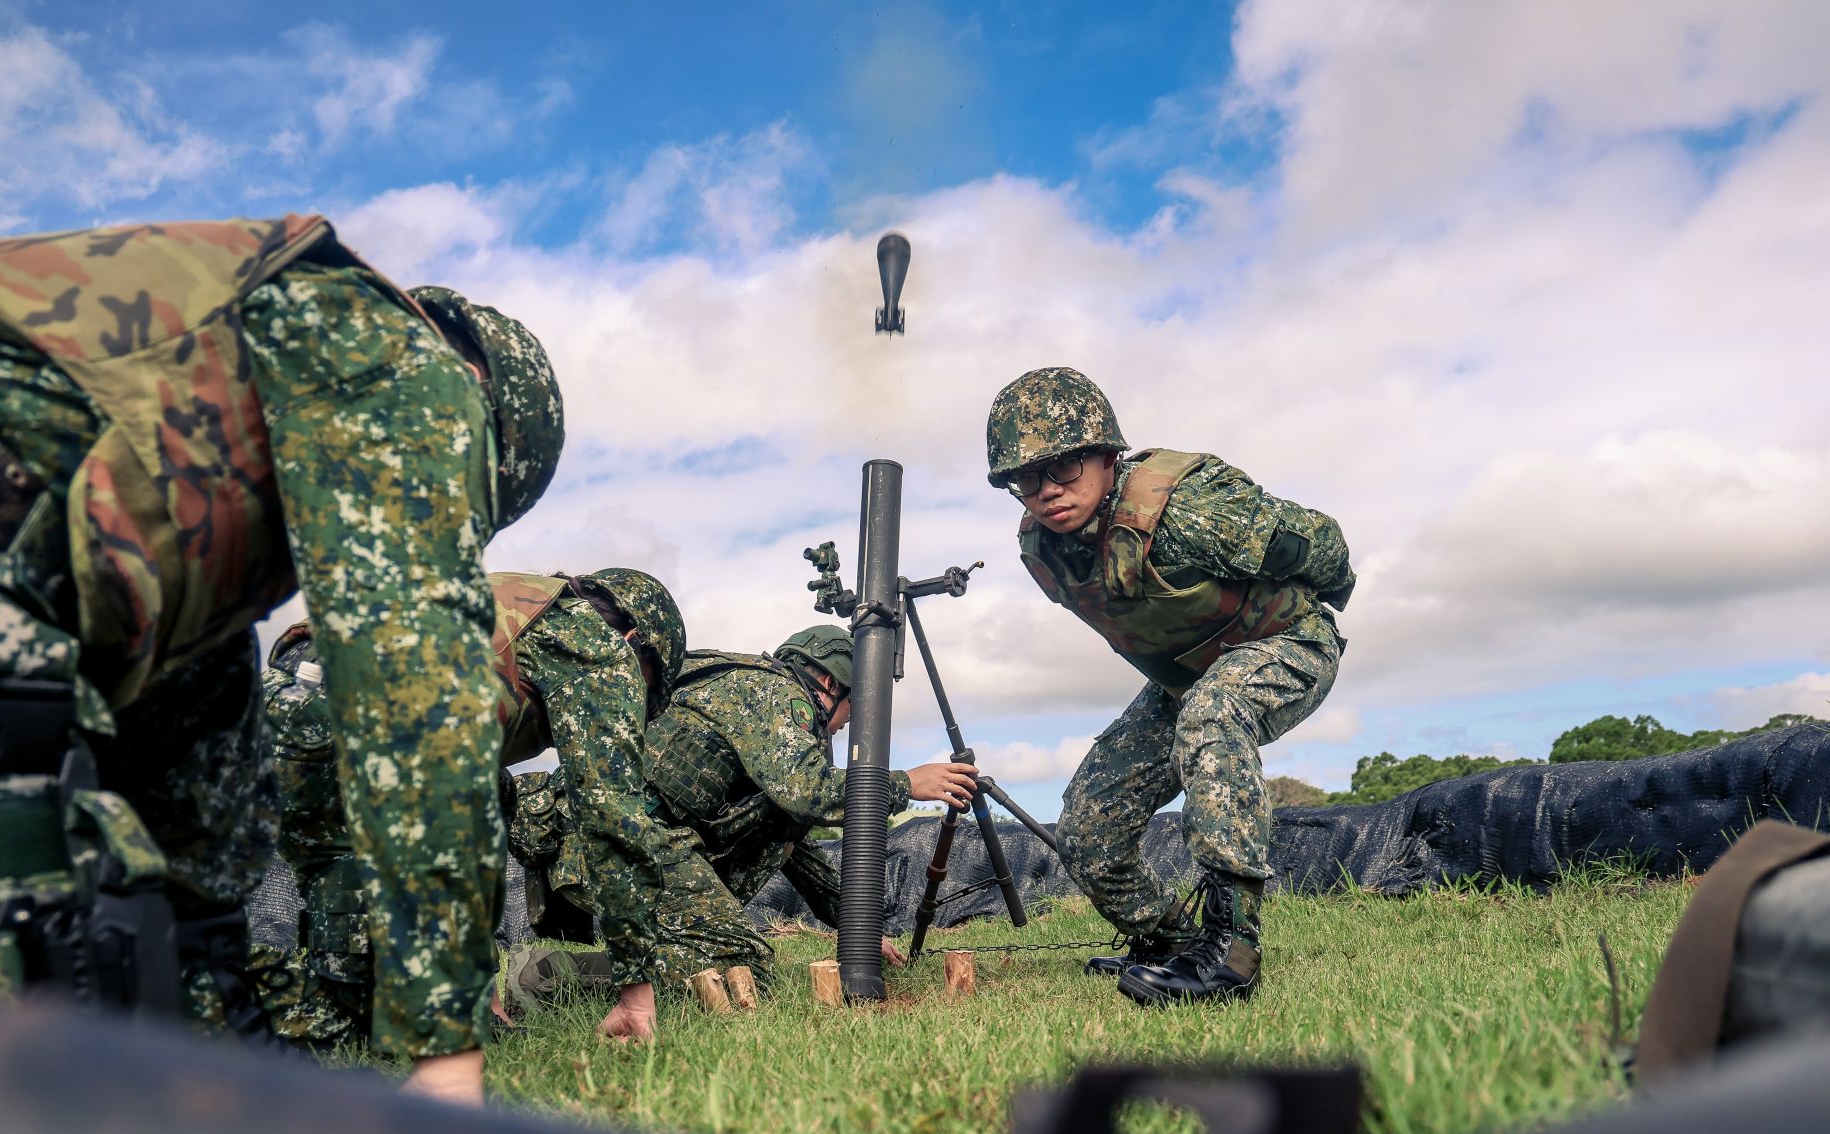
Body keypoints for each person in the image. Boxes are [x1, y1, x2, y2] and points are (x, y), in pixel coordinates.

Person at [0, 214, 562, 1107]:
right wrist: (445, 1059)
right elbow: (414, 683)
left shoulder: (220, 448)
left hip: (22, 543)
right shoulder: (404, 364)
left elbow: (198, 800)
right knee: (30, 922)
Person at [985, 367, 1354, 1006]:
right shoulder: (1043, 549)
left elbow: (1321, 544)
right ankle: (1168, 944)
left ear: (1106, 456)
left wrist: (1320, 596)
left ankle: (1231, 952)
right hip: (1188, 679)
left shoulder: (1187, 510)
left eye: (1064, 469)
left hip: (1288, 643)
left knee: (1213, 717)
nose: (1045, 491)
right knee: (1088, 826)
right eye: (1024, 479)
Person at [257, 567, 687, 1050]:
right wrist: (636, 992)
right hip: (356, 724)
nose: (636, 707)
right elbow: (611, 820)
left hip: (284, 702)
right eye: (647, 692)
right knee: (345, 1022)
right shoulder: (597, 644)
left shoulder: (520, 601)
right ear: (635, 642)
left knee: (348, 975)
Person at [515, 624, 978, 993]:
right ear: (827, 681)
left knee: (730, 960)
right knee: (743, 968)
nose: (847, 723)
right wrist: (903, 784)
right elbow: (808, 791)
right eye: (852, 706)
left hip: (618, 839)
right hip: (617, 838)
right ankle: (557, 975)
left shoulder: (759, 702)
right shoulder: (775, 693)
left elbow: (792, 840)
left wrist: (857, 928)